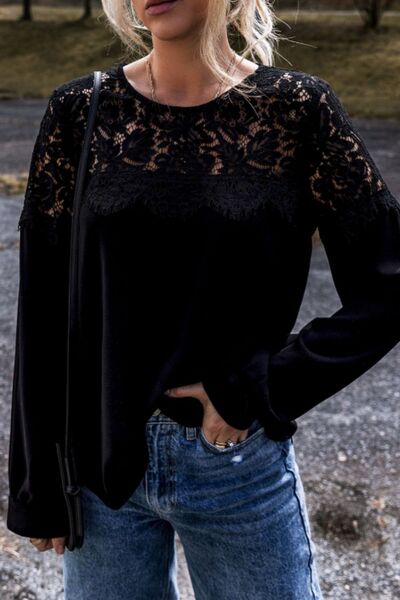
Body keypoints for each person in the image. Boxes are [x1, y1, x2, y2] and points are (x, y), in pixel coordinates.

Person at [6, 0, 400, 598]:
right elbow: (43, 303)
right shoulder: (80, 111)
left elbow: (389, 284)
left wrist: (262, 388)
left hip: (237, 465)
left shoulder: (297, 110)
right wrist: (36, 484)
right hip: (100, 471)